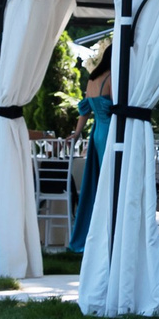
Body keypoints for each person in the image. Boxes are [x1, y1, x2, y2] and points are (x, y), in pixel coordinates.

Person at [67, 59, 113, 254]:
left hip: (96, 134)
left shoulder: (92, 79)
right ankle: (107, 231)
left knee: (99, 182)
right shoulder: (112, 78)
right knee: (109, 184)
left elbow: (85, 111)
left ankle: (95, 232)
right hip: (111, 132)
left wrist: (77, 133)